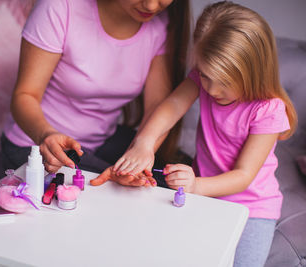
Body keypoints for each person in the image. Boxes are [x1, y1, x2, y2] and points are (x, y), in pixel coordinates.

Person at [101, 2, 297, 266]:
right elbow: (170, 107)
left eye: (224, 82)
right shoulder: (203, 80)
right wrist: (144, 143)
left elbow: (243, 176)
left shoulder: (268, 111)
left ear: (253, 73)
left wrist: (195, 186)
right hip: (202, 195)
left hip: (252, 208)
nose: (212, 89)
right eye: (205, 76)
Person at [1, 0, 191, 186]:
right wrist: (46, 134)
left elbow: (156, 108)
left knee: (175, 178)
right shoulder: (59, 7)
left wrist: (143, 150)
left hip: (101, 140)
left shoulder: (161, 23)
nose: (151, 6)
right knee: (130, 190)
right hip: (36, 143)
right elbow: (25, 95)